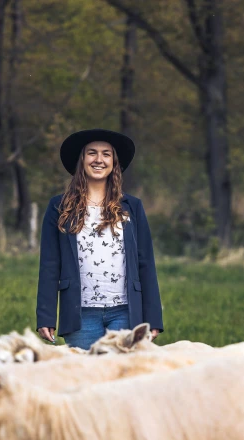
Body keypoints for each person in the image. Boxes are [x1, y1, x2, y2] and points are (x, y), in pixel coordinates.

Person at [36, 129, 163, 350]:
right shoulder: (59, 207)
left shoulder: (132, 207)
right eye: (91, 153)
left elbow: (146, 264)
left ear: (114, 162)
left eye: (106, 154)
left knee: (123, 375)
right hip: (81, 315)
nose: (98, 159)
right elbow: (49, 264)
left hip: (125, 312)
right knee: (85, 376)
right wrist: (46, 316)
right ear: (82, 160)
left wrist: (153, 318)